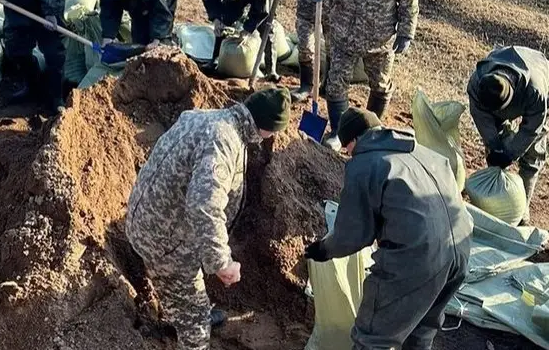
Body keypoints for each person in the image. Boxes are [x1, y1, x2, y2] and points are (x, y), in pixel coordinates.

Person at [126, 88, 291, 350]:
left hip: (148, 221)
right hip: (165, 242)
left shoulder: (207, 117)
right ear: (267, 127)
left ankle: (177, 312)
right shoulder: (223, 141)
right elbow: (204, 205)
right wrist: (221, 262)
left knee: (183, 297)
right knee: (197, 326)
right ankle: (189, 321)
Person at [305, 107, 472, 350]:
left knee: (373, 337)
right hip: (461, 249)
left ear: (354, 140)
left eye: (347, 148)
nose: (349, 154)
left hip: (417, 257)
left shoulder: (364, 165)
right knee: (420, 330)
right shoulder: (426, 153)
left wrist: (324, 249)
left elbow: (353, 234)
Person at [309, 0, 419, 150]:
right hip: (343, 36)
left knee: (381, 85)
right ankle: (339, 133)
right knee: (336, 84)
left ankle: (369, 132)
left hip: (380, 40)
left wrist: (406, 33)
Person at [467, 45, 549, 225]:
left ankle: (521, 210)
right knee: (495, 148)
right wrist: (495, 146)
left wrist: (511, 154)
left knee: (533, 154)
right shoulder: (477, 83)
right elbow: (481, 117)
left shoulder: (536, 91)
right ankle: (494, 196)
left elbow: (531, 129)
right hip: (502, 79)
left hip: (540, 73)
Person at [202, 0, 280, 80]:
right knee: (226, 18)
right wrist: (216, 18)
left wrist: (248, 30)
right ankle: (215, 60)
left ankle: (271, 70)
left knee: (266, 25)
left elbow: (262, 10)